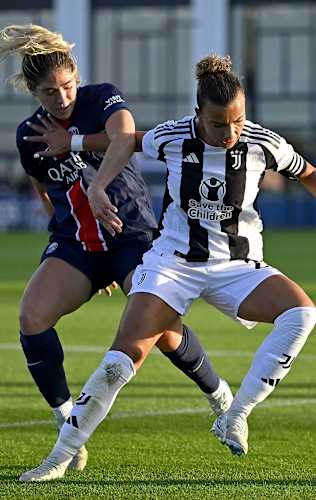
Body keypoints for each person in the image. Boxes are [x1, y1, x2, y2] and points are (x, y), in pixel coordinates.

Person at [19, 52, 316, 482]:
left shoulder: (263, 142)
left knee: (302, 313)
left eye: (238, 120)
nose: (231, 132)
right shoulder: (174, 136)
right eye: (218, 124)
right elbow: (127, 140)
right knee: (120, 363)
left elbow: (306, 172)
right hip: (172, 265)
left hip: (237, 266)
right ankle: (59, 457)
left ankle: (236, 413)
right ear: (198, 114)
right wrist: (76, 144)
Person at [0, 25, 233, 476]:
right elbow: (43, 186)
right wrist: (61, 225)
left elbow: (126, 137)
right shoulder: (28, 135)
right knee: (31, 318)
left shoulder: (100, 97)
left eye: (67, 85)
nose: (62, 97)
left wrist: (95, 182)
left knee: (162, 330)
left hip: (131, 234)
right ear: (33, 91)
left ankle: (219, 395)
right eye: (49, 92)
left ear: (77, 77)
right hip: (78, 245)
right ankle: (68, 423)